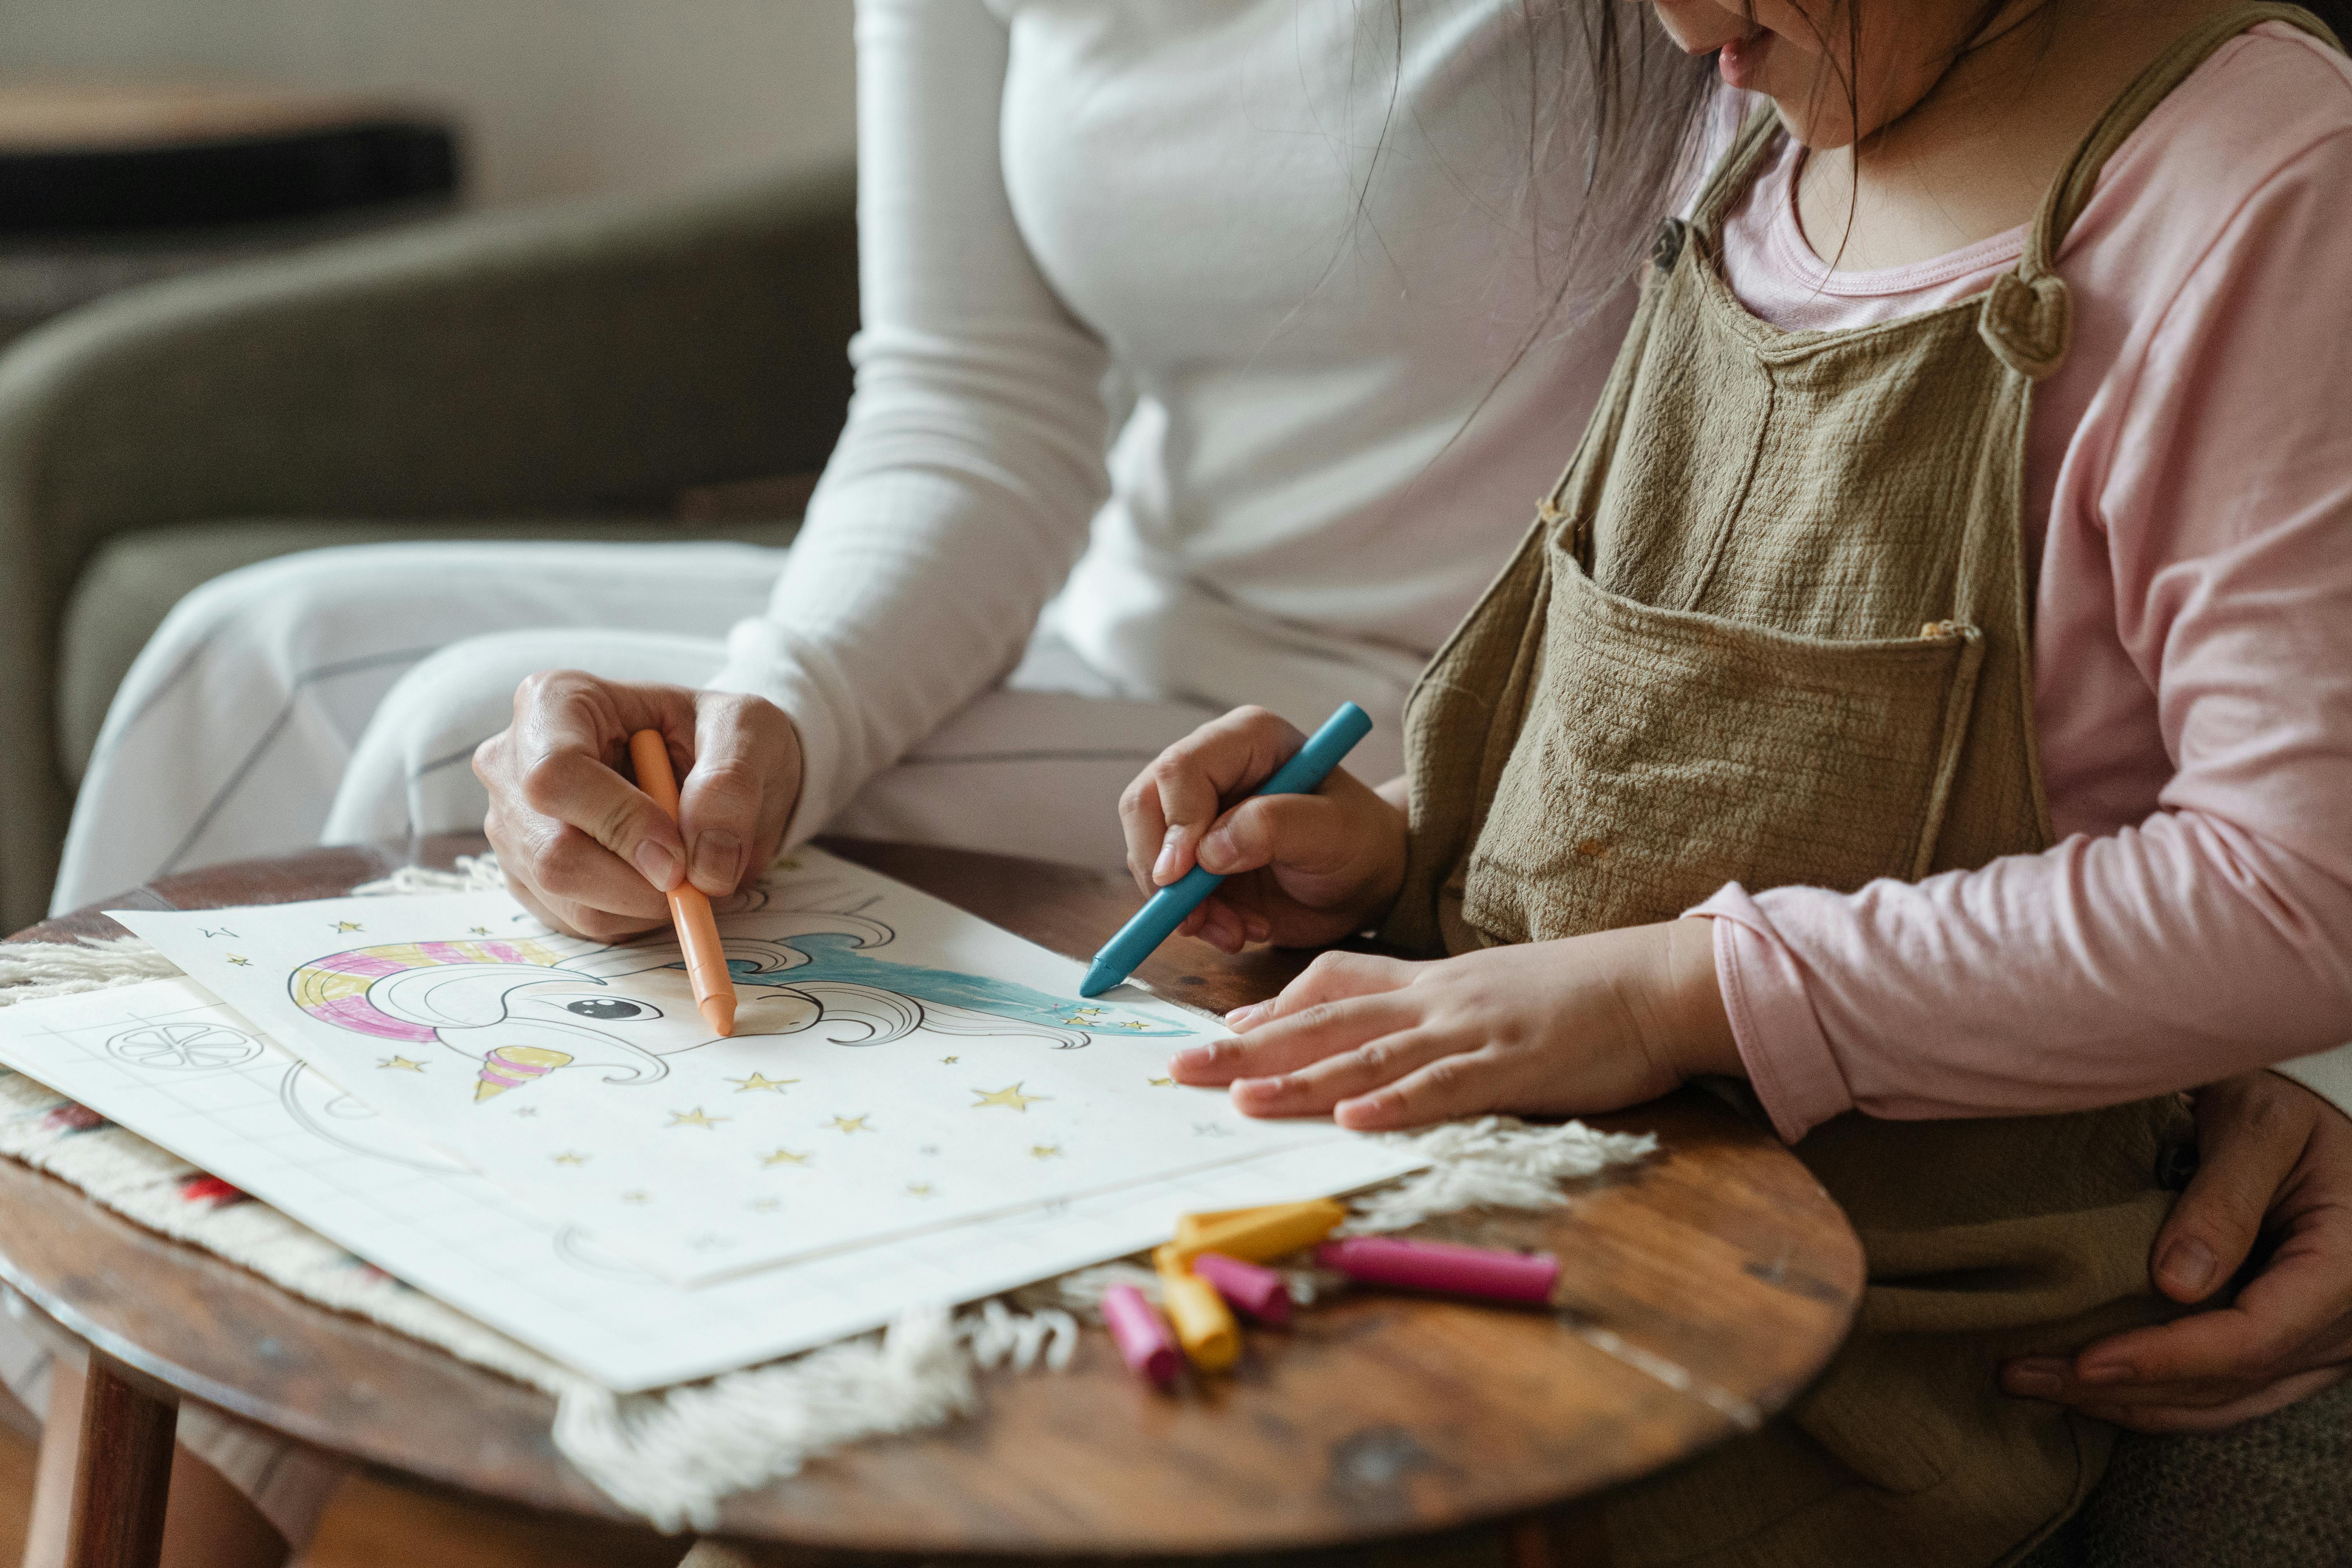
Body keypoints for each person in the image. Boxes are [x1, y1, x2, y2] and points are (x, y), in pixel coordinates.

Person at [40, 0, 2352, 1556]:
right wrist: (1381, 840)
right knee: (280, 665)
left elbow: (2223, 818)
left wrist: (2209, 1031)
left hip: (1748, 1142)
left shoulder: (2135, 153)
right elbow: (995, 408)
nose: (1664, 27)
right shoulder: (1767, 132)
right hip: (1393, 892)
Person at [1120, 0, 2352, 1559]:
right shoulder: (1753, 129)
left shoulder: (2263, 188)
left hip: (1849, 1321)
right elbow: (1697, 785)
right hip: (1510, 1183)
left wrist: (1662, 998)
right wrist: (1410, 861)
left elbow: (2299, 892)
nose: (1678, 16)